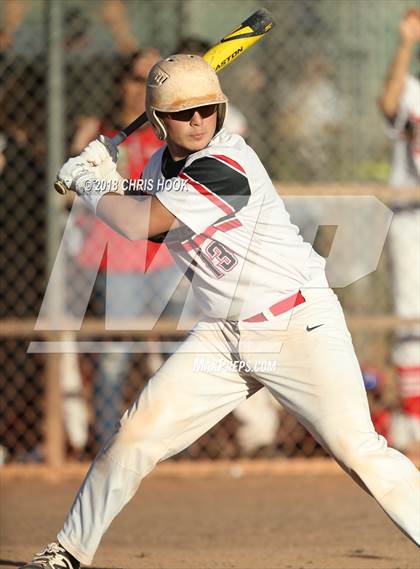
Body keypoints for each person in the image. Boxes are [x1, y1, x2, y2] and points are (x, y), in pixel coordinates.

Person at [22, 54, 419, 568]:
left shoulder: (227, 166)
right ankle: (69, 550)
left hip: (296, 326)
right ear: (160, 119)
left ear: (222, 112)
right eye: (183, 113)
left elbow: (142, 223)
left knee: (359, 452)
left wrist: (92, 184)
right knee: (136, 433)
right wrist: (109, 179)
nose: (197, 121)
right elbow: (147, 204)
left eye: (207, 110)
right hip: (222, 337)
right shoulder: (162, 164)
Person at [378, 8, 420, 455]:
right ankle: (413, 421)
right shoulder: (413, 91)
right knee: (412, 317)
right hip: (413, 218)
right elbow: (389, 104)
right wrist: (406, 42)